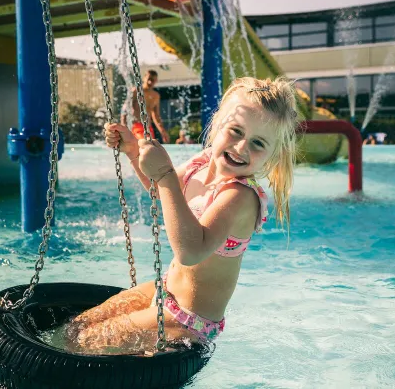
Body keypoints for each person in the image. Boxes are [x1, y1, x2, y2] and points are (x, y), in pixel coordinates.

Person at [67, 77, 298, 354]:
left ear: (272, 155)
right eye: (236, 131)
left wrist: (165, 173)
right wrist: (132, 151)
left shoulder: (240, 197)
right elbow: (161, 193)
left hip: (190, 321)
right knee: (79, 324)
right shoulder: (202, 162)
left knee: (82, 342)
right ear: (216, 124)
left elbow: (191, 252)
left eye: (258, 143)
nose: (241, 148)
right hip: (165, 291)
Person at [120, 70, 170, 143]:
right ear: (144, 78)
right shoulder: (136, 91)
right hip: (136, 126)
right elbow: (125, 109)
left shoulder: (155, 96)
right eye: (149, 79)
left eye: (153, 80)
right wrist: (123, 126)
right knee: (146, 145)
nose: (150, 82)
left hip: (148, 128)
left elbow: (156, 116)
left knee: (149, 150)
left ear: (156, 81)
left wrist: (163, 132)